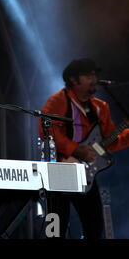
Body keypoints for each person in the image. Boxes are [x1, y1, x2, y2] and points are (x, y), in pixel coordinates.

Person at [39, 58, 129, 239]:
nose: (94, 78)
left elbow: (110, 141)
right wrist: (76, 149)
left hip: (85, 172)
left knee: (95, 227)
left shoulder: (100, 107)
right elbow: (47, 129)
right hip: (60, 167)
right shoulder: (58, 100)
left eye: (95, 75)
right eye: (88, 75)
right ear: (74, 80)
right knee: (56, 227)